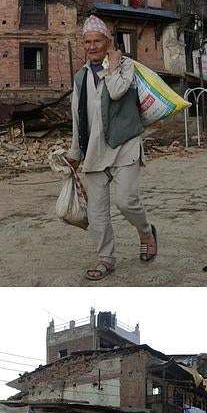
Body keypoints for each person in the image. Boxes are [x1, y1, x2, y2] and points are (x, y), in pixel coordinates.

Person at [67, 15, 157, 281]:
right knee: (97, 213)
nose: (92, 47)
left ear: (107, 42)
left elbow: (117, 91)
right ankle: (105, 258)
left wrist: (113, 66)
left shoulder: (126, 66)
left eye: (97, 41)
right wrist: (75, 152)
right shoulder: (80, 77)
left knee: (126, 202)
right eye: (87, 42)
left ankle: (146, 232)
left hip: (124, 145)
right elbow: (77, 116)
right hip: (94, 150)